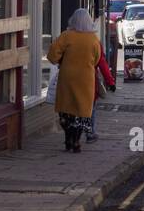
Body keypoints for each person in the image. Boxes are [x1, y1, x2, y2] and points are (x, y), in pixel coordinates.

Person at [47, 8, 116, 152]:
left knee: (66, 111)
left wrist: (60, 59)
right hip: (86, 79)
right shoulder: (93, 40)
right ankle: (77, 141)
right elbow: (98, 59)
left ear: (73, 20)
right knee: (81, 111)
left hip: (67, 77)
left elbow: (53, 55)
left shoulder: (66, 36)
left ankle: (68, 139)